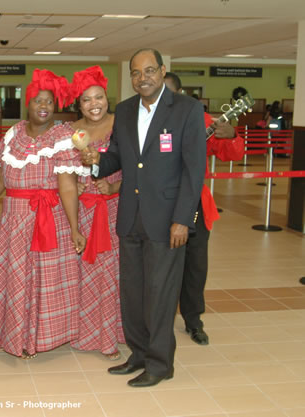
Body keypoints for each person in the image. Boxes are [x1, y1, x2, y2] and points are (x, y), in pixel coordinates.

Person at [83, 48, 206, 387]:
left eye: (149, 70)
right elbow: (118, 158)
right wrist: (96, 161)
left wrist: (183, 218)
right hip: (130, 217)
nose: (143, 78)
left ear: (162, 71)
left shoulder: (187, 110)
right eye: (136, 73)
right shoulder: (124, 110)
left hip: (168, 220)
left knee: (161, 294)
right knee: (133, 292)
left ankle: (160, 363)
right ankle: (138, 353)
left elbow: (194, 171)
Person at [0, 68, 84, 359]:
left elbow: (67, 187)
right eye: (38, 101)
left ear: (56, 106)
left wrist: (75, 228)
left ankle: (38, 338)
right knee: (15, 277)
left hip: (49, 219)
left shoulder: (64, 136)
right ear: (27, 103)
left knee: (43, 278)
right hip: (13, 219)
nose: (43, 106)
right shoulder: (12, 134)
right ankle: (14, 334)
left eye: (49, 102)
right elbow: (1, 178)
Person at [164, 72, 245, 345]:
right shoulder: (146, 121)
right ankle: (158, 319)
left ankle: (193, 320)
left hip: (194, 204)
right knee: (160, 265)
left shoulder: (204, 122)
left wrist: (232, 134)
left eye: (169, 94)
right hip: (157, 203)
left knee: (195, 265)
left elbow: (232, 154)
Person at [66, 66, 125, 359]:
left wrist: (115, 187)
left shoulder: (122, 125)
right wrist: (72, 186)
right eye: (86, 100)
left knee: (112, 271)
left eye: (98, 97)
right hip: (83, 212)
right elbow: (60, 172)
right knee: (83, 272)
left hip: (115, 210)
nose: (94, 104)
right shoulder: (69, 131)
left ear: (107, 98)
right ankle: (84, 331)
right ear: (79, 104)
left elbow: (142, 167)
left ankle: (112, 333)